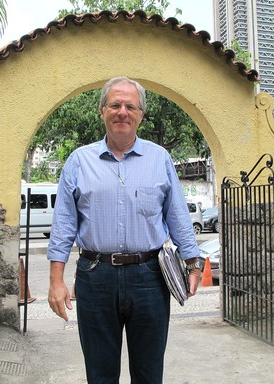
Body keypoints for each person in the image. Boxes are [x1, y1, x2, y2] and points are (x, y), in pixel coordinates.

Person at [48, 76, 201, 384]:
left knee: (149, 372)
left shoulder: (160, 159)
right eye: (115, 105)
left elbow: (177, 215)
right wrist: (56, 281)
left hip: (150, 277)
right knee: (100, 374)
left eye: (130, 106)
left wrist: (192, 262)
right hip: (95, 276)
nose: (122, 112)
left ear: (141, 114)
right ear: (102, 110)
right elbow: (63, 224)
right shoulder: (79, 161)